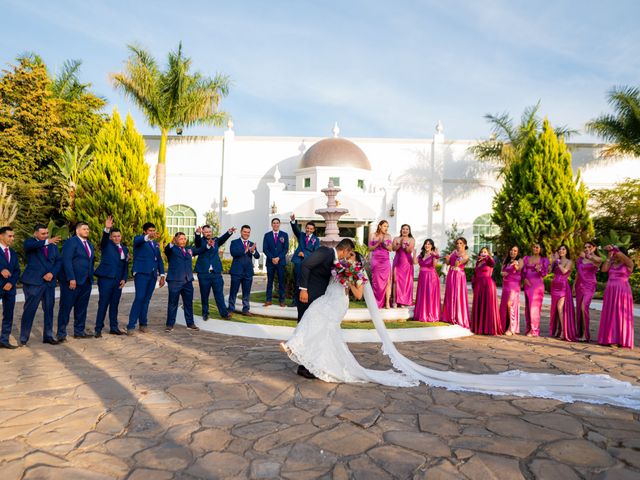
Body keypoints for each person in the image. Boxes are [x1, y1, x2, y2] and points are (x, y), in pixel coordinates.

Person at [280, 237, 640, 411]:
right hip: (330, 298)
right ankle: (311, 360)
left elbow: (360, 293)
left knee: (318, 321)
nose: (345, 258)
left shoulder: (351, 266)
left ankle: (299, 349)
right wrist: (337, 276)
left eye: (345, 257)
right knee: (319, 324)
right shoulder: (338, 262)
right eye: (348, 257)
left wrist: (348, 278)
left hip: (339, 300)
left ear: (344, 253)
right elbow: (329, 274)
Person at [293, 238, 355, 378]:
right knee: (306, 329)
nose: (347, 256)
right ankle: (303, 367)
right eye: (348, 253)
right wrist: (303, 289)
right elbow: (306, 265)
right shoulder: (325, 251)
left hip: (319, 299)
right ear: (345, 250)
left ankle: (308, 364)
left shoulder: (336, 261)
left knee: (314, 331)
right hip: (307, 295)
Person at [19, 224, 62, 346]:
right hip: (34, 283)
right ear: (35, 234)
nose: (46, 235)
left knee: (49, 309)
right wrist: (47, 241)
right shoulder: (30, 243)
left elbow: (59, 261)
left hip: (49, 282)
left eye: (47, 233)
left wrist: (52, 273)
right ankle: (24, 337)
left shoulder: (53, 246)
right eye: (43, 233)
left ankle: (48, 335)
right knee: (30, 309)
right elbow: (31, 246)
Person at [57, 222, 95, 341]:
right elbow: (66, 261)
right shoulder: (71, 242)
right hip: (72, 282)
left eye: (88, 229)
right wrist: (71, 278)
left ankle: (79, 331)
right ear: (78, 231)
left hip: (86, 281)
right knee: (66, 307)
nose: (87, 231)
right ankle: (61, 333)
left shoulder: (89, 244)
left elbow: (90, 262)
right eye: (84, 229)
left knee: (81, 308)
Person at [127, 222, 165, 335]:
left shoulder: (156, 244)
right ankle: (131, 326)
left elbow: (159, 260)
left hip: (152, 275)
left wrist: (162, 275)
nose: (152, 232)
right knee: (139, 298)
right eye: (150, 231)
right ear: (145, 231)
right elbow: (139, 240)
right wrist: (148, 237)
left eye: (154, 230)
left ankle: (143, 324)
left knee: (146, 300)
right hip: (141, 273)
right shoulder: (139, 240)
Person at [94, 216, 129, 337]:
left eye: (118, 236)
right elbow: (103, 239)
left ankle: (114, 327)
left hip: (118, 281)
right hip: (106, 280)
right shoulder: (106, 245)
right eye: (114, 236)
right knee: (103, 304)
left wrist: (124, 278)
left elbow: (125, 265)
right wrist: (106, 229)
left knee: (115, 305)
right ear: (111, 237)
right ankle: (98, 329)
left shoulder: (124, 248)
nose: (116, 238)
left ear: (121, 236)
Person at [194, 225, 235, 320]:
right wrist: (197, 234)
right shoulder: (200, 242)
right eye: (206, 232)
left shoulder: (216, 240)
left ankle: (224, 314)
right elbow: (197, 243)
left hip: (216, 273)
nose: (208, 233)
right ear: (203, 233)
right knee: (204, 295)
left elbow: (223, 239)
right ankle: (205, 313)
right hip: (203, 273)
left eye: (209, 231)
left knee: (219, 294)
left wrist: (229, 232)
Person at [598, 245, 635, 349]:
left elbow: (625, 258)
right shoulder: (611, 263)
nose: (614, 255)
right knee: (610, 313)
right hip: (610, 291)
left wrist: (613, 249)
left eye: (616, 254)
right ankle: (608, 338)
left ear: (621, 254)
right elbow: (604, 270)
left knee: (620, 314)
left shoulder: (628, 264)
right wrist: (609, 257)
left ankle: (619, 339)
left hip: (622, 292)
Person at [164, 232, 200, 332]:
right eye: (181, 239)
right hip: (175, 281)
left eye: (184, 238)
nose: (183, 240)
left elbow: (200, 249)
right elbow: (166, 250)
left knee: (188, 303)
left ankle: (190, 323)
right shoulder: (172, 249)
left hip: (188, 281)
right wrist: (171, 243)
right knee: (172, 303)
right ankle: (170, 324)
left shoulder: (189, 249)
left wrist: (201, 238)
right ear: (175, 240)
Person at [228, 225, 260, 316]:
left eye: (248, 232)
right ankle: (230, 309)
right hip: (236, 272)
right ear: (241, 232)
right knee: (233, 291)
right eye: (245, 232)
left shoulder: (252, 243)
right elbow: (233, 253)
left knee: (246, 292)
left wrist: (253, 251)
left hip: (248, 272)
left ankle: (245, 310)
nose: (246, 234)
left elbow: (257, 256)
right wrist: (244, 250)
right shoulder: (234, 242)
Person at [289, 214, 319, 306]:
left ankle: (305, 300)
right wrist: (293, 221)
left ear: (313, 230)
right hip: (298, 262)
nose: (308, 230)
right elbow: (295, 229)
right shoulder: (301, 235)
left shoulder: (316, 240)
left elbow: (315, 253)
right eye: (307, 228)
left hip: (308, 263)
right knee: (297, 281)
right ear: (305, 228)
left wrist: (305, 254)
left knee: (306, 281)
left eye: (311, 229)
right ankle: (295, 301)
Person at [470, 247, 502, 335]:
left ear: (488, 253)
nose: (483, 253)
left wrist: (487, 257)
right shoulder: (478, 262)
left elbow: (492, 263)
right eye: (481, 252)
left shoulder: (489, 260)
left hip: (487, 285)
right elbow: (475, 274)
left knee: (488, 306)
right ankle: (479, 327)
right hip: (479, 286)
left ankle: (489, 328)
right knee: (479, 305)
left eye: (485, 252)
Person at [549, 245, 577, 342]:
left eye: (563, 249)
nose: (561, 251)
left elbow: (564, 271)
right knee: (555, 309)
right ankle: (557, 329)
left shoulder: (569, 261)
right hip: (554, 286)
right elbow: (549, 271)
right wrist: (552, 262)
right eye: (560, 249)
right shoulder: (556, 262)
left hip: (563, 287)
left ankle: (563, 331)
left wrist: (558, 262)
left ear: (566, 251)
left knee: (560, 308)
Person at [575, 241, 602, 342]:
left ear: (594, 248)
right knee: (579, 310)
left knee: (583, 307)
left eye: (589, 247)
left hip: (590, 285)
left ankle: (586, 335)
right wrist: (574, 286)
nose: (586, 248)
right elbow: (578, 273)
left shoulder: (596, 259)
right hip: (579, 286)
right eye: (585, 247)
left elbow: (599, 260)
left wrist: (587, 256)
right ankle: (580, 333)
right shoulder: (580, 259)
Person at [522, 243, 550, 337]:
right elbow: (523, 271)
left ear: (541, 249)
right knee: (527, 308)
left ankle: (534, 330)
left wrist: (539, 270)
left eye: (537, 247)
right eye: (534, 247)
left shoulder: (544, 260)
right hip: (527, 285)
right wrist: (524, 278)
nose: (535, 248)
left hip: (537, 286)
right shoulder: (527, 258)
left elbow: (545, 273)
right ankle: (529, 328)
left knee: (534, 308)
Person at [442, 237, 470, 328]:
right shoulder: (454, 252)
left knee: (457, 295)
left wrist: (457, 262)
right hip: (451, 274)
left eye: (461, 243)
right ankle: (449, 316)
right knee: (450, 294)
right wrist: (447, 259)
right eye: (457, 243)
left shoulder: (466, 255)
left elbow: (458, 263)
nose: (458, 245)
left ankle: (458, 317)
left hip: (459, 276)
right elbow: (448, 263)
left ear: (464, 245)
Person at [0, 226, 21, 349]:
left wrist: (11, 283)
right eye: (10, 236)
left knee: (8, 315)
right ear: (1, 236)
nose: (12, 238)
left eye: (13, 236)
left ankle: (4, 340)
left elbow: (17, 271)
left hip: (10, 289)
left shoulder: (13, 253)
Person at [262, 218, 289, 307]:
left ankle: (282, 301)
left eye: (277, 223)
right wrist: (272, 258)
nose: (275, 224)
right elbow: (265, 249)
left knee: (281, 282)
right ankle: (268, 300)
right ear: (272, 224)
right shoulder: (267, 235)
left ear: (279, 224)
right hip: (270, 262)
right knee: (270, 281)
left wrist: (278, 258)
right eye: (274, 223)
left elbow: (286, 249)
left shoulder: (284, 235)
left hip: (281, 262)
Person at [413, 239, 440, 322]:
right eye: (426, 244)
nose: (427, 245)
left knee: (430, 295)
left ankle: (430, 314)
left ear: (432, 246)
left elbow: (434, 264)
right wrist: (414, 253)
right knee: (422, 294)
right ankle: (422, 313)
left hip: (431, 277)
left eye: (429, 244)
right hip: (422, 277)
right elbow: (414, 262)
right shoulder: (421, 255)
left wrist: (435, 255)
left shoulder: (433, 254)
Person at [368, 220, 393, 308]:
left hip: (385, 260)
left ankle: (387, 302)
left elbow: (390, 249)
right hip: (376, 260)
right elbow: (370, 248)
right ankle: (376, 302)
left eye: (387, 226)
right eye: (384, 226)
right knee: (376, 282)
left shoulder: (388, 236)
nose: (386, 228)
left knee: (387, 281)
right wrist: (378, 243)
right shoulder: (373, 235)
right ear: (380, 226)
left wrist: (385, 244)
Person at [499, 245, 523, 336]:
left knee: (510, 304)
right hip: (506, 285)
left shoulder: (520, 260)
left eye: (515, 251)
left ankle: (511, 328)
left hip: (514, 285)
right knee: (504, 305)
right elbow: (501, 271)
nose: (513, 252)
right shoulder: (506, 260)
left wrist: (515, 265)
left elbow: (519, 269)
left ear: (518, 252)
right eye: (511, 250)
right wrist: (503, 273)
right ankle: (504, 326)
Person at [392, 224, 415, 307]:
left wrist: (404, 245)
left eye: (407, 229)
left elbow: (409, 251)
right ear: (401, 230)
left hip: (407, 262)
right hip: (398, 261)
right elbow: (393, 249)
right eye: (403, 229)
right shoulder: (396, 238)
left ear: (409, 231)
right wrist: (399, 244)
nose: (405, 230)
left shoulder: (411, 239)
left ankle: (403, 301)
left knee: (405, 282)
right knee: (395, 281)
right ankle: (395, 301)